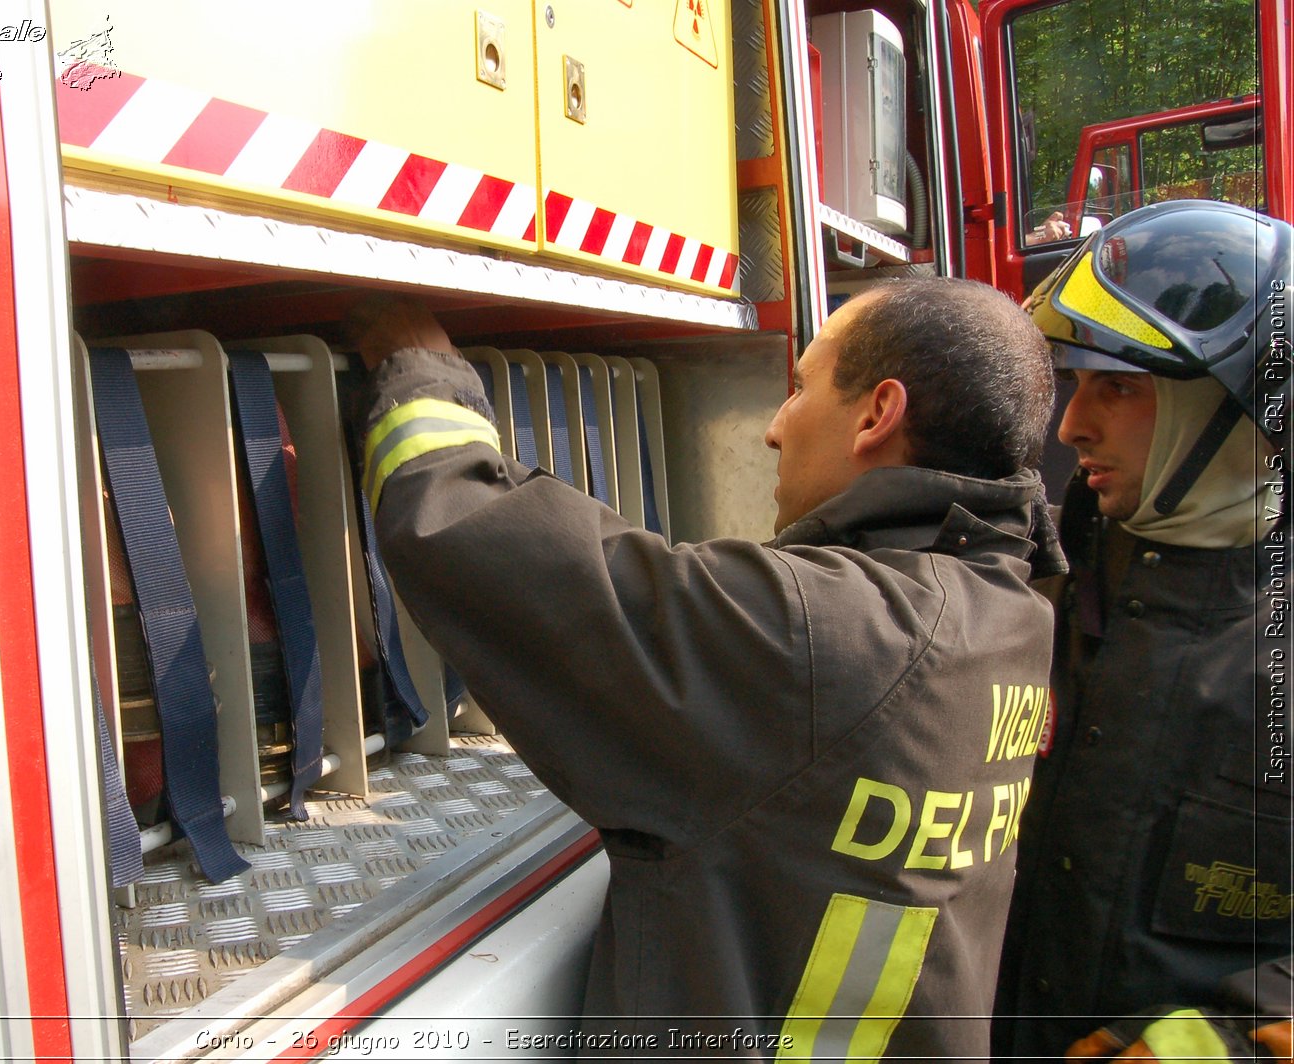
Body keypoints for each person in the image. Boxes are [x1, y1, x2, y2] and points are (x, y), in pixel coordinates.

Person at [350, 277, 1064, 1059]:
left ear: (876, 414)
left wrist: (424, 377)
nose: (774, 427)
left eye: (801, 388)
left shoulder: (838, 636)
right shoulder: (1008, 613)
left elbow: (481, 543)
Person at [992, 199, 1293, 1062]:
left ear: (1245, 402)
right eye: (1076, 384)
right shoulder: (1037, 583)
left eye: (1118, 386)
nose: (1071, 426)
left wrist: (1221, 1046)